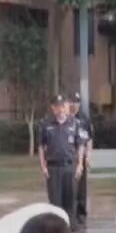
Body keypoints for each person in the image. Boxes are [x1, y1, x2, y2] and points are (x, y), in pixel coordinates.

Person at [39, 94, 81, 225]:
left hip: (69, 166)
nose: (60, 109)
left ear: (66, 107)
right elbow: (41, 147)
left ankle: (70, 227)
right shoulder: (46, 124)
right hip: (53, 168)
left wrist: (80, 164)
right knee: (55, 201)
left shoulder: (74, 123)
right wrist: (43, 166)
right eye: (57, 107)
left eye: (63, 106)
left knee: (70, 199)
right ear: (53, 108)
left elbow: (80, 145)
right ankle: (57, 229)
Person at [70, 94, 94, 227]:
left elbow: (89, 139)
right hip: (69, 156)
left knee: (81, 187)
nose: (74, 105)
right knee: (71, 186)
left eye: (76, 102)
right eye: (72, 102)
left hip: (81, 156)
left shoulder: (84, 119)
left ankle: (81, 213)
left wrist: (89, 155)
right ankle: (71, 212)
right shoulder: (66, 117)